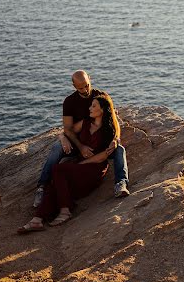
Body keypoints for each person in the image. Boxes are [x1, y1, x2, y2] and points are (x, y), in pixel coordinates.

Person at [18, 93, 119, 233]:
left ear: (102, 110)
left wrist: (81, 165)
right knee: (53, 186)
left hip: (94, 170)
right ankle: (37, 220)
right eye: (90, 105)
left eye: (94, 106)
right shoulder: (85, 123)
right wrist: (62, 137)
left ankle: (65, 211)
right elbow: (67, 131)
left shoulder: (108, 130)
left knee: (58, 170)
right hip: (77, 169)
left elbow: (102, 157)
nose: (89, 108)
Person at [33, 70, 129, 207]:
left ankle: (121, 184)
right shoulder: (69, 102)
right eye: (80, 88)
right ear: (74, 86)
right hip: (80, 142)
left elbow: (115, 121)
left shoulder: (101, 96)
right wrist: (79, 146)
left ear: (90, 79)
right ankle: (42, 187)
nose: (85, 90)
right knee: (56, 148)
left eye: (87, 85)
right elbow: (68, 129)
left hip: (100, 142)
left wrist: (115, 139)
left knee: (119, 149)